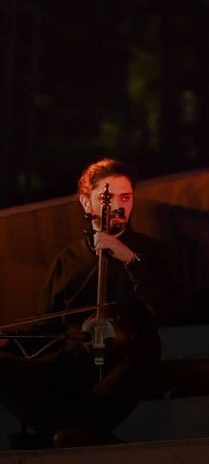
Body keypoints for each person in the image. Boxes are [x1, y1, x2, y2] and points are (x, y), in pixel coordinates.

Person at [0, 158, 161, 448]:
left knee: (146, 347)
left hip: (121, 364)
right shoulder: (67, 260)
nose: (119, 206)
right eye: (106, 198)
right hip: (75, 365)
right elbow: (48, 327)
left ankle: (61, 433)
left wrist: (130, 259)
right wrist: (6, 340)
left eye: (126, 197)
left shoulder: (149, 252)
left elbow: (167, 308)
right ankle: (77, 433)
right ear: (86, 203)